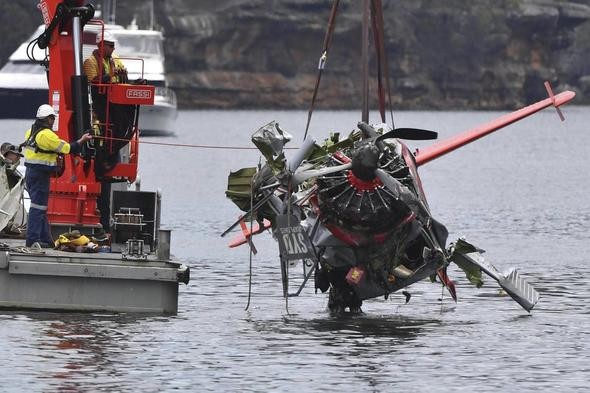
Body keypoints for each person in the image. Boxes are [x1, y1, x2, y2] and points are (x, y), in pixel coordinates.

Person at [22, 104, 93, 248]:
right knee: (38, 208)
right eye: (52, 118)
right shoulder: (47, 135)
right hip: (40, 175)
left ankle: (44, 239)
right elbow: (68, 148)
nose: (53, 121)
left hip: (31, 173)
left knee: (40, 207)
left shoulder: (30, 132)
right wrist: (82, 140)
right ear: (47, 119)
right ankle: (32, 240)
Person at [83, 31, 131, 233]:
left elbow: (118, 75)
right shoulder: (91, 61)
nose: (112, 49)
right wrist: (110, 77)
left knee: (122, 124)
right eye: (109, 46)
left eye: (113, 46)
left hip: (112, 102)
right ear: (101, 45)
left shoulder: (113, 61)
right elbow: (94, 80)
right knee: (105, 130)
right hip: (101, 102)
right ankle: (104, 158)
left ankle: (110, 154)